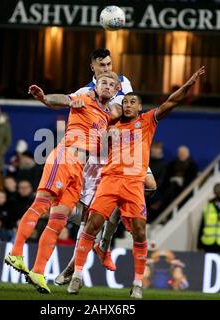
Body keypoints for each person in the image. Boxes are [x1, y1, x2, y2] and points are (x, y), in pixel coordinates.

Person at [67, 67, 206, 298]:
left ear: (140, 107)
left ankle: (138, 284)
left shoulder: (148, 121)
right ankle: (77, 276)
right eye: (126, 102)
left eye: (133, 102)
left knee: (140, 232)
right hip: (109, 181)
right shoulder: (110, 124)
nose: (128, 105)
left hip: (133, 184)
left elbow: (172, 101)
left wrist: (190, 83)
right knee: (92, 224)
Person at [4, 71, 122, 294]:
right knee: (41, 204)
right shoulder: (84, 98)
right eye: (103, 82)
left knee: (58, 221)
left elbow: (120, 117)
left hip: (79, 170)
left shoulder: (107, 116)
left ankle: (38, 272)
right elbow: (64, 100)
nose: (106, 86)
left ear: (115, 90)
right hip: (64, 158)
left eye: (111, 84)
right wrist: (45, 98)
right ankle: (16, 253)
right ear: (96, 86)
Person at [55, 48, 157, 285]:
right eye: (102, 66)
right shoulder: (84, 93)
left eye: (109, 64)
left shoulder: (123, 82)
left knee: (150, 185)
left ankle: (105, 242)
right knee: (89, 217)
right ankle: (74, 267)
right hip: (99, 154)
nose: (107, 69)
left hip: (126, 149)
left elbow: (127, 109)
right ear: (93, 67)